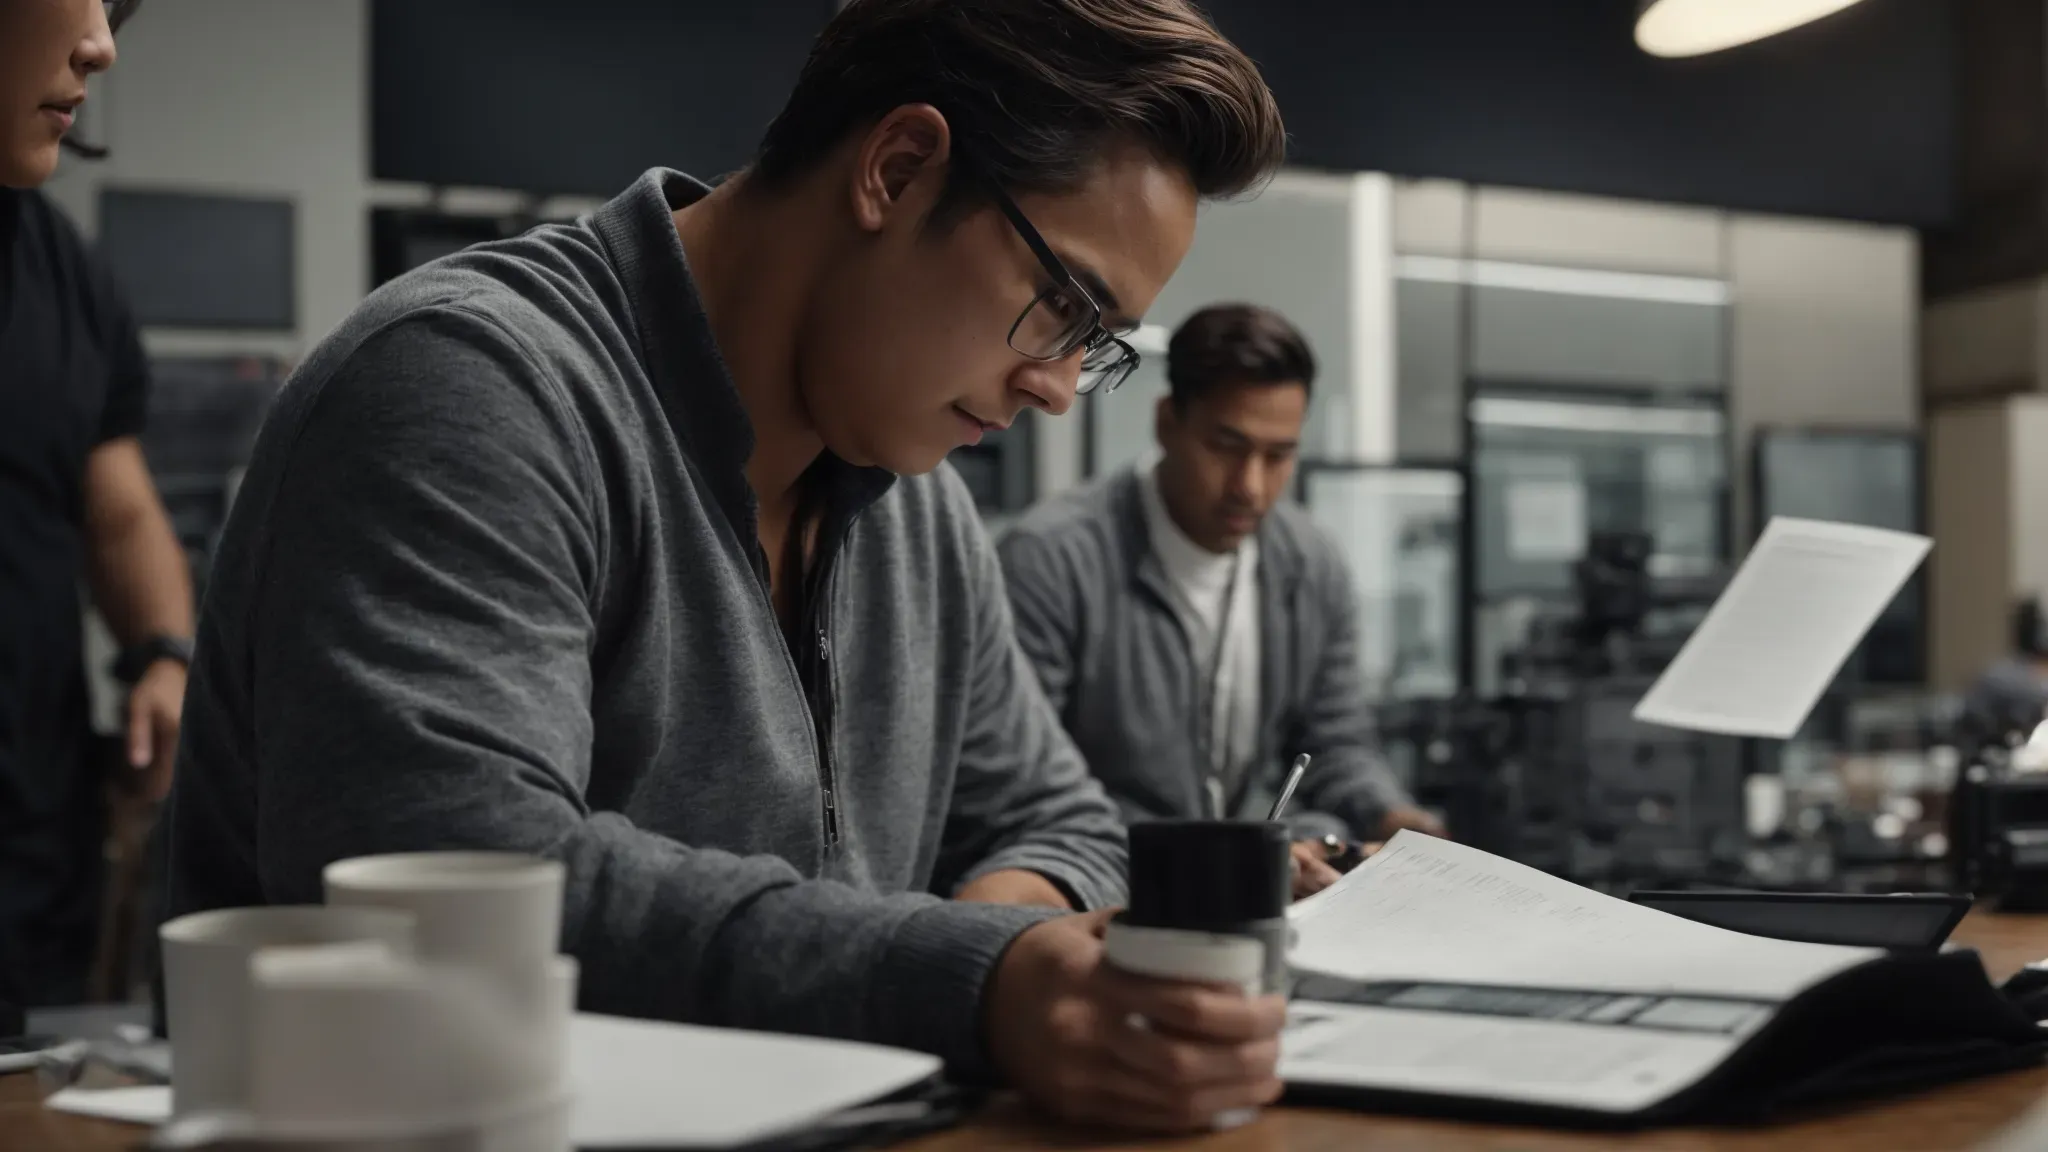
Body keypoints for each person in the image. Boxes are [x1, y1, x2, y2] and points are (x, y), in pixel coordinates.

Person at [160, 0, 1292, 1132]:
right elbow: (457, 878)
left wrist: (1014, 958)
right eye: (1062, 305)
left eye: (1095, 346)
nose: (1055, 387)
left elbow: (1061, 823)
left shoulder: (921, 510)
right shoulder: (469, 386)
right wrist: (969, 979)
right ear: (897, 170)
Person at [1000, 303, 1443, 901]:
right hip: (1094, 899)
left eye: (1278, 455)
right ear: (1167, 423)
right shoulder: (1054, 560)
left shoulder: (1311, 566)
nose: (1250, 486)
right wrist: (1217, 860)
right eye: (1226, 447)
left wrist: (1393, 819)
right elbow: (1025, 786)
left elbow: (1335, 743)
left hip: (1247, 900)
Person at [1, 0, 191, 1009]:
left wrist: (163, 653)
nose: (102, 46)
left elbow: (116, 510)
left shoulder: (64, 273)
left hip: (31, 866)